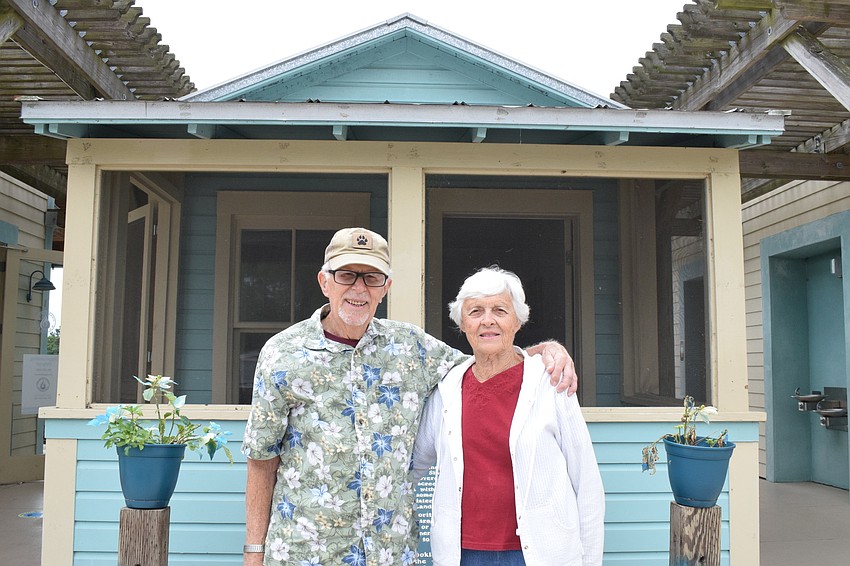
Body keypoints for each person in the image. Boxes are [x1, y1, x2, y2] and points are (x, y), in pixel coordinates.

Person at [242, 228, 578, 566]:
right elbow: (261, 458)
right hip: (306, 551)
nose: (358, 288)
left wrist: (545, 350)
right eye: (346, 275)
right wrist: (254, 551)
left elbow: (487, 361)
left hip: (390, 553)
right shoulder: (282, 354)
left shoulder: (410, 347)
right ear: (324, 282)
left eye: (371, 277)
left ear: (385, 287)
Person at [412, 266, 604, 566]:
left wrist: (590, 561)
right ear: (463, 323)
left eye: (500, 310)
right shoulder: (447, 387)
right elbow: (413, 463)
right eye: (475, 311)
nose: (487, 320)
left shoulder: (551, 381)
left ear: (517, 320)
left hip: (538, 552)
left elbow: (587, 482)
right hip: (462, 554)